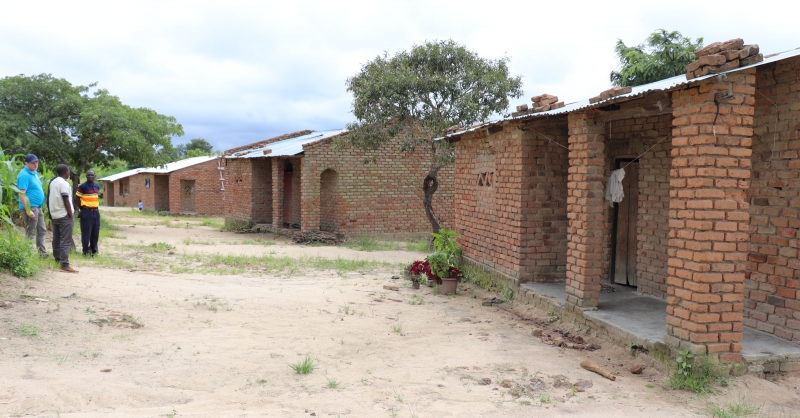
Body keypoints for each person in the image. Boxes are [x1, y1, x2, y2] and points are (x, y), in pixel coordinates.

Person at [16, 154, 47, 257]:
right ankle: (26, 255)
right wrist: (28, 210)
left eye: (36, 162)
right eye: (33, 163)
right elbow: (21, 193)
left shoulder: (34, 173)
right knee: (31, 232)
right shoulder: (24, 175)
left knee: (42, 230)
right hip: (31, 208)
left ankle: (42, 253)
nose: (35, 164)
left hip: (38, 207)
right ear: (26, 163)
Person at [48, 164, 77, 273]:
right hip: (64, 214)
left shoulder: (53, 182)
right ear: (65, 172)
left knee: (56, 239)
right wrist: (70, 214)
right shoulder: (63, 183)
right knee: (66, 240)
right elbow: (66, 200)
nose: (69, 172)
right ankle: (65, 264)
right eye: (68, 170)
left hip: (55, 214)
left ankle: (58, 259)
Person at [76, 170, 100, 256]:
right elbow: (77, 199)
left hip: (96, 212)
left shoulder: (97, 186)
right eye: (88, 175)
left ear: (94, 176)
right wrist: (81, 209)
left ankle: (94, 250)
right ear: (86, 176)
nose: (90, 176)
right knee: (86, 232)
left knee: (95, 232)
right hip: (86, 212)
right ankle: (85, 251)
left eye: (91, 175)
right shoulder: (82, 187)